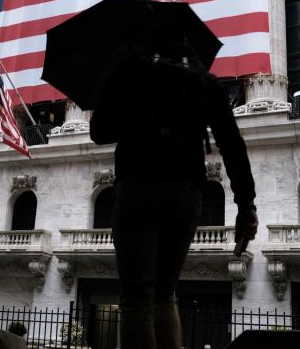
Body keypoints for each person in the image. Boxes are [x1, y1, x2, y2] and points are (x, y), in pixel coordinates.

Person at [89, 40, 258, 349]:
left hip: (137, 186)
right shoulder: (204, 81)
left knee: (137, 297)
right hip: (186, 192)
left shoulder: (131, 70)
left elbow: (99, 130)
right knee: (165, 293)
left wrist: (133, 116)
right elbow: (232, 144)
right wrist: (245, 203)